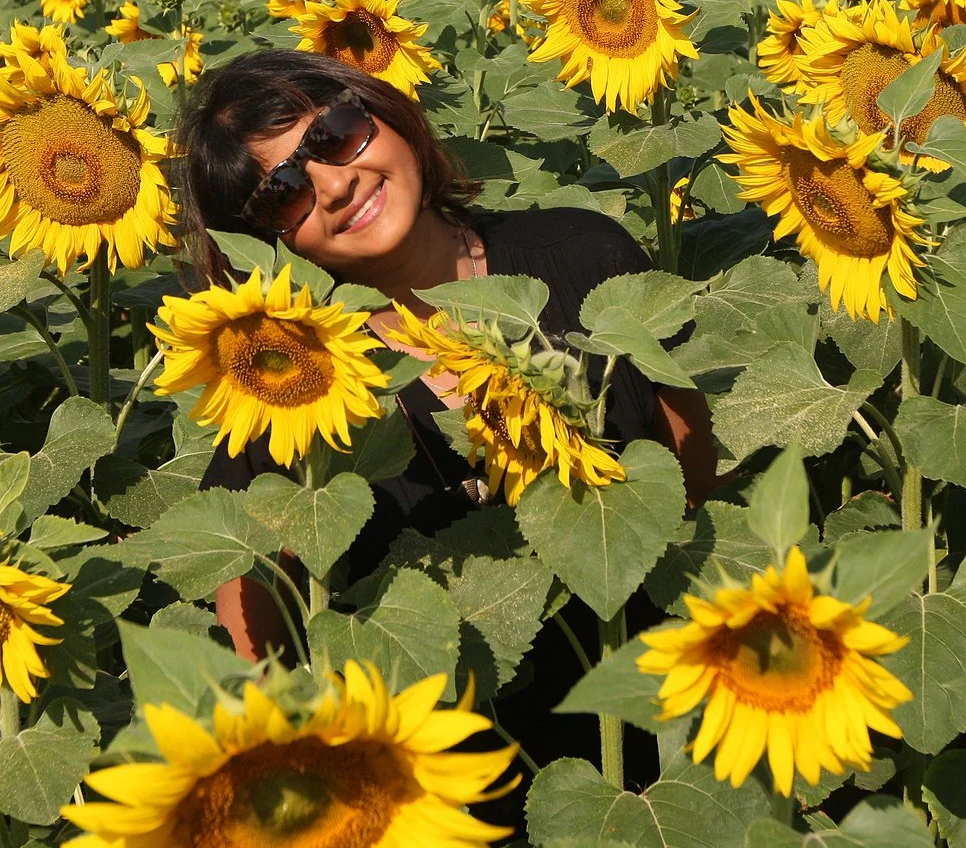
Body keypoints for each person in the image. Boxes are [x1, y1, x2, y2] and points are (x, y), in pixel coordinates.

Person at [170, 48, 718, 776]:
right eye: (285, 193)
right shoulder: (295, 383)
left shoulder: (586, 257)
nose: (335, 185)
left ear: (387, 115)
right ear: (270, 243)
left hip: (671, 723)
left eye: (335, 133)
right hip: (452, 781)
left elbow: (690, 465)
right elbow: (245, 584)